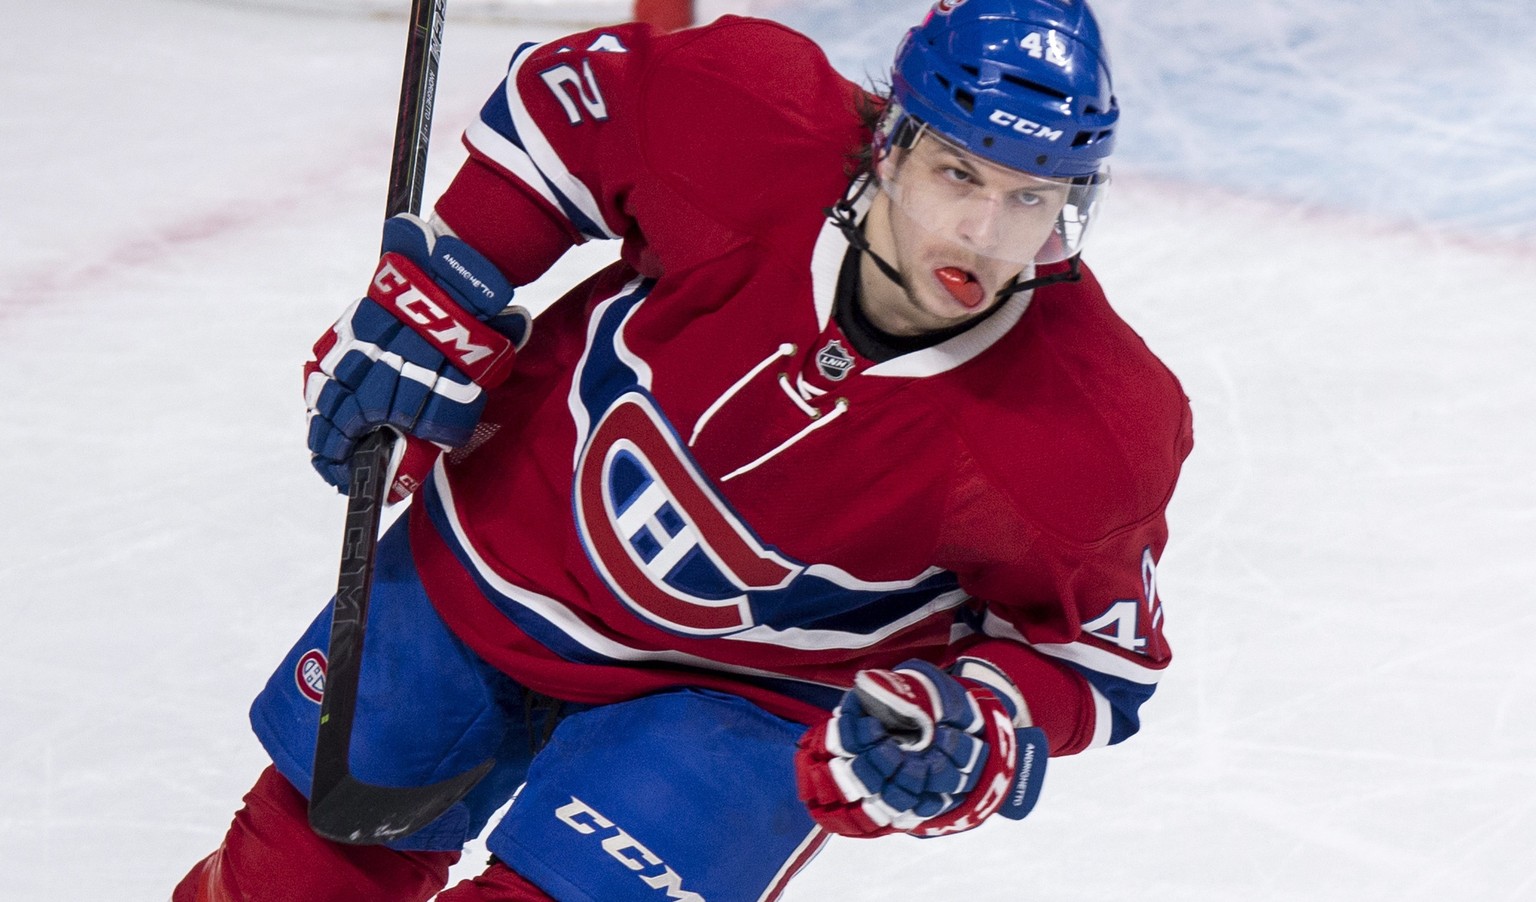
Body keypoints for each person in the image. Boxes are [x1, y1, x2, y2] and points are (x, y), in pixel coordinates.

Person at [175, 0, 1193, 898]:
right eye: (956, 172)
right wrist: (453, 285)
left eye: (1030, 196)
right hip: (505, 548)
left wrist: (975, 720)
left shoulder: (1091, 426)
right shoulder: (755, 117)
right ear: (889, 144)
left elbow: (1084, 654)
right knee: (291, 877)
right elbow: (566, 109)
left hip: (748, 697)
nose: (980, 229)